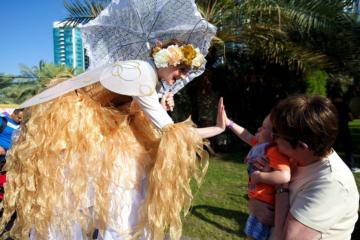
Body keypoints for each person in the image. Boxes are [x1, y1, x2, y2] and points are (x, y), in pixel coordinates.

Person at [0, 41, 225, 240]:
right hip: (77, 125)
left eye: (187, 71)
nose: (184, 75)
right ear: (167, 59)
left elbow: (135, 109)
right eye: (182, 68)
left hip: (102, 127)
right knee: (70, 196)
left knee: (126, 177)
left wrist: (159, 100)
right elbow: (168, 129)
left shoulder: (147, 76)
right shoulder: (142, 73)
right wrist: (216, 128)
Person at [249, 94, 359, 240]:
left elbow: (287, 238)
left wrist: (281, 185)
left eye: (276, 134)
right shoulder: (295, 159)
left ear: (302, 146)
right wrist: (254, 204)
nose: (272, 138)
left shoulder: (331, 183)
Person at [226, 115, 290, 240]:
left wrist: (260, 176)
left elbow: (284, 176)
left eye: (264, 127)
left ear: (273, 136)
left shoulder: (274, 151)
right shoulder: (262, 146)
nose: (259, 128)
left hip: (265, 204)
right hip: (258, 201)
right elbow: (245, 135)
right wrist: (229, 123)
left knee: (252, 236)